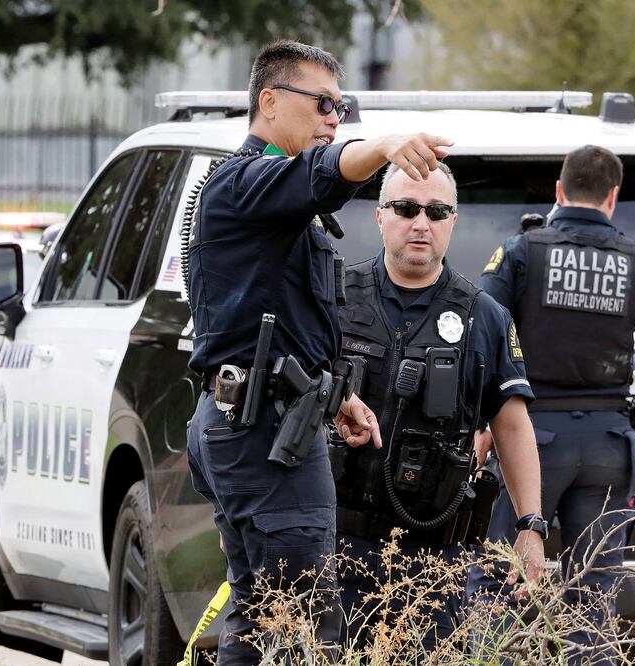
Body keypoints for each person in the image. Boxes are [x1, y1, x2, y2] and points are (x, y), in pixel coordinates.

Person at [185, 39, 453, 665]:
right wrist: (385, 146)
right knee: (300, 618)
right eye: (325, 103)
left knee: (265, 615)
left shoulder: (273, 206)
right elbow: (322, 173)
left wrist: (338, 395)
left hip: (270, 421)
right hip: (261, 434)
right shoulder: (247, 181)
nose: (336, 118)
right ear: (270, 101)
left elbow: (286, 320)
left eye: (344, 106)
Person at [469, 145, 635, 661]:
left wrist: (482, 423)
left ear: (558, 191)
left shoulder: (521, 253)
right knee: (592, 604)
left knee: (496, 591)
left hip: (528, 442)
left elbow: (478, 337)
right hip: (607, 449)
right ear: (613, 197)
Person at [329, 161, 545, 654]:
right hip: (333, 550)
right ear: (380, 217)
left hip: (432, 563)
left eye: (436, 211)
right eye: (406, 208)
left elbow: (511, 428)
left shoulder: (484, 316)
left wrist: (531, 525)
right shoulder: (335, 300)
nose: (420, 223)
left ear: (453, 221)